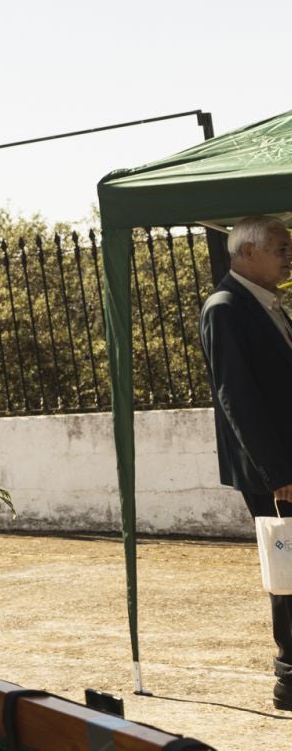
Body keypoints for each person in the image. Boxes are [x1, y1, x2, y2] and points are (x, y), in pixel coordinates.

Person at [198, 214, 292, 711]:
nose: (288, 254)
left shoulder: (268, 305)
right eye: (279, 246)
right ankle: (290, 679)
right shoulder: (227, 307)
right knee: (290, 573)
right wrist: (278, 473)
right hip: (277, 475)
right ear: (246, 252)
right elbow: (237, 398)